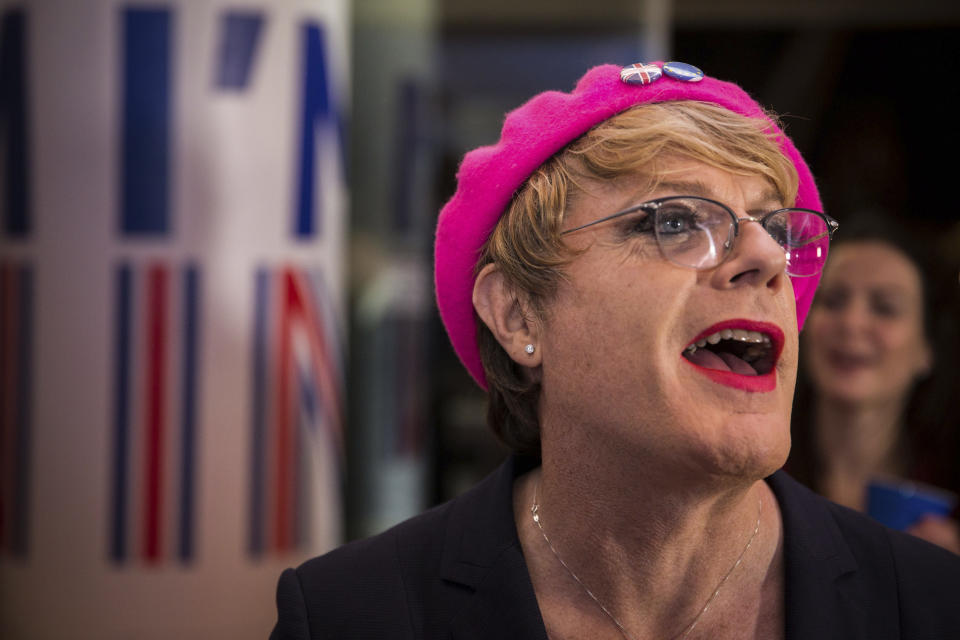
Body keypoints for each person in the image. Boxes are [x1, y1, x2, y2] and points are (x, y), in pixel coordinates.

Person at [270, 63, 960, 640]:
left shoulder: (932, 604)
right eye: (675, 220)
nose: (765, 257)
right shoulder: (349, 616)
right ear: (516, 313)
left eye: (775, 227)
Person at [789, 223, 960, 553]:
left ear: (927, 349)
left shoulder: (949, 497)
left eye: (884, 307)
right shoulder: (753, 477)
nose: (852, 323)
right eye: (833, 300)